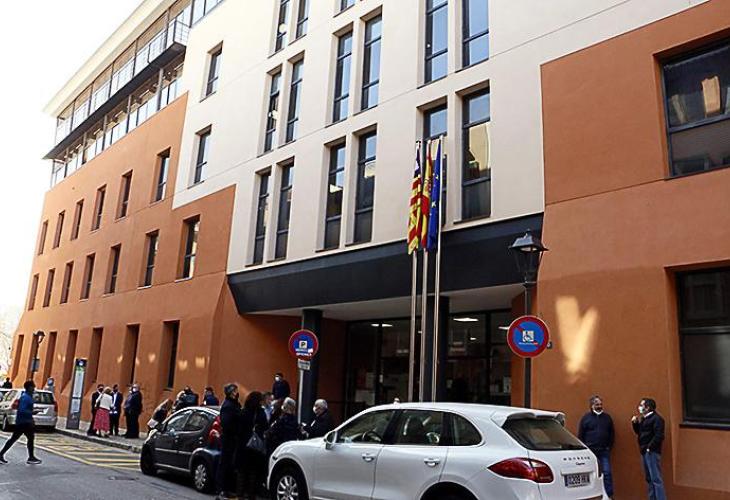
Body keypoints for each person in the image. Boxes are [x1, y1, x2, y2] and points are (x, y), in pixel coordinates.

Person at [578, 395, 614, 498]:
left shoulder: (607, 418)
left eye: (601, 404)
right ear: (592, 405)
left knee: (607, 473)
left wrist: (608, 446)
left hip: (604, 450)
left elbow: (612, 434)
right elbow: (581, 435)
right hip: (590, 451)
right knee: (589, 474)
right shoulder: (586, 418)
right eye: (597, 404)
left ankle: (609, 495)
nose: (599, 406)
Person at [236, 391, 269, 499]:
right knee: (253, 472)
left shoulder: (243, 412)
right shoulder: (261, 413)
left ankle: (240, 494)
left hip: (243, 445)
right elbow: (265, 427)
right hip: (255, 446)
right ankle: (251, 494)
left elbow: (238, 429)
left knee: (242, 472)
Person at [632, 398, 666, 500]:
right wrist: (635, 424)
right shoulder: (644, 419)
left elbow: (659, 436)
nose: (640, 407)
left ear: (647, 408)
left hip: (651, 452)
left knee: (656, 478)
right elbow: (640, 432)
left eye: (642, 405)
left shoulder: (657, 419)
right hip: (644, 451)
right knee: (649, 478)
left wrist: (649, 447)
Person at [0, 380, 42, 464]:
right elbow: (22, 410)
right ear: (29, 387)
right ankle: (31, 457)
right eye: (33, 387)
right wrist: (32, 412)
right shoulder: (26, 397)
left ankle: (31, 457)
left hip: (24, 422)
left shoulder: (26, 396)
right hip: (24, 422)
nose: (34, 388)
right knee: (21, 439)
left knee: (26, 438)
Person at [217, 383, 241, 500]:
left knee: (230, 465)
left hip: (232, 439)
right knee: (225, 464)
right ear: (231, 392)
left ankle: (227, 489)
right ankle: (222, 490)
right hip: (228, 439)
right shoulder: (228, 405)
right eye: (235, 391)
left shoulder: (234, 404)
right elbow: (226, 423)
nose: (237, 393)